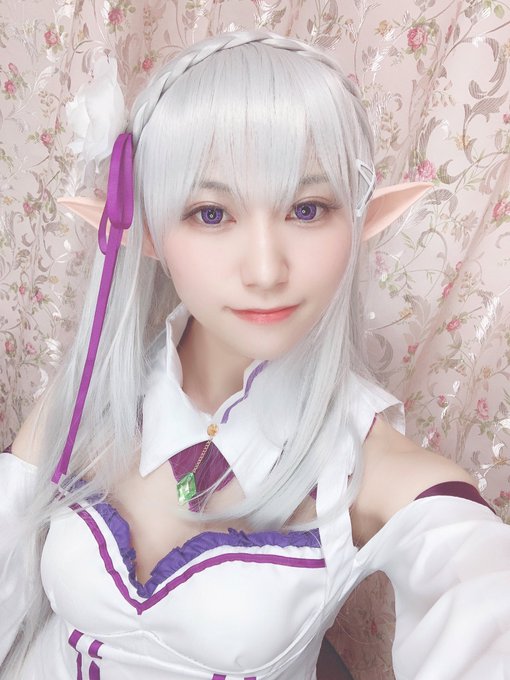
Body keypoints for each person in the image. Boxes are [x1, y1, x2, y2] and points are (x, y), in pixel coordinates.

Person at [2, 30, 509, 680]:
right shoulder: (90, 393)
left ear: (361, 220)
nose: (267, 270)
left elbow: (476, 591)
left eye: (307, 208)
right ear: (150, 232)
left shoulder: (374, 470)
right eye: (212, 214)